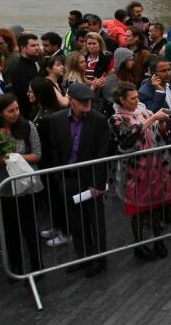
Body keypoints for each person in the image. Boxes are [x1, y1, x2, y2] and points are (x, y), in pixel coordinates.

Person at [42, 82, 110, 277]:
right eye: (82, 101)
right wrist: (59, 176)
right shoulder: (56, 120)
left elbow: (102, 154)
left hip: (90, 179)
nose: (87, 104)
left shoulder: (98, 120)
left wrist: (97, 184)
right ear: (71, 101)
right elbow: (54, 149)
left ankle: (99, 257)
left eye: (89, 100)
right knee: (75, 221)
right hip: (68, 178)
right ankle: (83, 256)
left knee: (94, 220)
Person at [108, 82, 171, 262]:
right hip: (133, 169)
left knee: (155, 203)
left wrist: (161, 123)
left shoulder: (143, 112)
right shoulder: (116, 119)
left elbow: (159, 135)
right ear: (122, 100)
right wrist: (152, 119)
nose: (137, 101)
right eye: (133, 98)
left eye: (137, 97)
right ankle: (139, 245)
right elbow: (127, 138)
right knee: (138, 209)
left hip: (154, 165)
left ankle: (158, 240)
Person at [0, 93, 43, 277]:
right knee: (9, 230)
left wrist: (16, 157)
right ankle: (15, 265)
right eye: (11, 111)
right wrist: (4, 158)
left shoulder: (27, 126)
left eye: (17, 109)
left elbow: (37, 154)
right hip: (3, 187)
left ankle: (36, 265)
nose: (16, 113)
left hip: (26, 187)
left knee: (30, 227)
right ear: (0, 113)